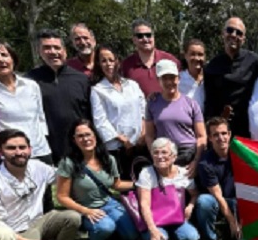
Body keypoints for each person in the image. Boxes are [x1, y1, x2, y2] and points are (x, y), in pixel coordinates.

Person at [0, 129, 81, 240]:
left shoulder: (37, 167)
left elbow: (62, 177)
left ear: (30, 149)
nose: (18, 152)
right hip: (14, 233)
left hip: (39, 222)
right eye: (11, 148)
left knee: (72, 217)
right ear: (0, 151)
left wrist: (84, 162)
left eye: (22, 147)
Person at [56, 120, 138, 240]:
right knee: (106, 227)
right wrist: (86, 211)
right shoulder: (68, 163)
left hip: (109, 203)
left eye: (88, 134)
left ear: (95, 136)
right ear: (74, 140)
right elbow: (62, 197)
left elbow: (116, 184)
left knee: (131, 235)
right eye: (80, 136)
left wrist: (138, 184)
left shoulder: (108, 159)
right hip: (86, 208)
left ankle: (109, 236)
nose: (85, 139)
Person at [0, 39, 52, 166]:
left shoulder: (31, 85)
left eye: (4, 55)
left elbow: (40, 117)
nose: (0, 59)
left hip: (39, 150)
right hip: (10, 154)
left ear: (13, 58)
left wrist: (44, 140)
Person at [26, 29, 91, 165]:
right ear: (40, 52)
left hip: (79, 147)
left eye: (57, 47)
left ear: (64, 51)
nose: (53, 52)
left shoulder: (82, 79)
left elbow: (90, 114)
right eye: (47, 48)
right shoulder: (29, 81)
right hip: (45, 149)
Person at [137, 138, 200, 240]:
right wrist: (152, 229)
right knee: (158, 239)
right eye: (156, 153)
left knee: (192, 238)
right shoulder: (147, 173)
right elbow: (144, 204)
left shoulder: (183, 173)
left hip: (176, 218)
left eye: (164, 152)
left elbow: (194, 193)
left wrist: (191, 205)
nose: (160, 156)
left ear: (174, 156)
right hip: (156, 220)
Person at [204, 16, 258, 138]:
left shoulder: (254, 61)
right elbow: (209, 103)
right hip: (222, 132)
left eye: (239, 33)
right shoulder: (212, 66)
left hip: (247, 131)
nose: (234, 35)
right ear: (223, 33)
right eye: (230, 30)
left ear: (243, 39)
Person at [90, 45, 145, 175]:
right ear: (98, 64)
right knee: (125, 186)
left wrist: (143, 133)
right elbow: (100, 120)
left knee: (144, 182)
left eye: (111, 60)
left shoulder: (132, 85)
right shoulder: (98, 90)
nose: (108, 64)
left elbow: (144, 109)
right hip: (118, 148)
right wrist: (123, 140)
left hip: (140, 144)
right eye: (104, 61)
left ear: (117, 61)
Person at [145, 60, 206, 172]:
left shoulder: (191, 104)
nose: (169, 82)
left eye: (172, 77)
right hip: (164, 155)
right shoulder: (152, 103)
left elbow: (201, 136)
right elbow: (149, 135)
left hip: (189, 154)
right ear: (158, 80)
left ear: (178, 78)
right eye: (164, 78)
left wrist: (196, 162)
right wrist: (155, 156)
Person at [195, 117, 240, 240]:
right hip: (216, 202)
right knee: (204, 201)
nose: (221, 138)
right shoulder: (205, 163)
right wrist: (233, 221)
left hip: (236, 201)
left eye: (224, 133)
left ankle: (236, 233)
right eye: (215, 135)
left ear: (230, 134)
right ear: (209, 138)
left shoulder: (241, 154)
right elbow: (218, 196)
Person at [121, 19, 180, 97]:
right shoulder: (126, 65)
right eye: (140, 36)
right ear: (134, 40)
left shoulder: (170, 60)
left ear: (153, 37)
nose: (145, 39)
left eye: (148, 35)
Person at [179, 39, 206, 110]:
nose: (197, 58)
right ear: (185, 56)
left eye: (200, 54)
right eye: (192, 54)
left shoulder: (210, 78)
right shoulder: (179, 80)